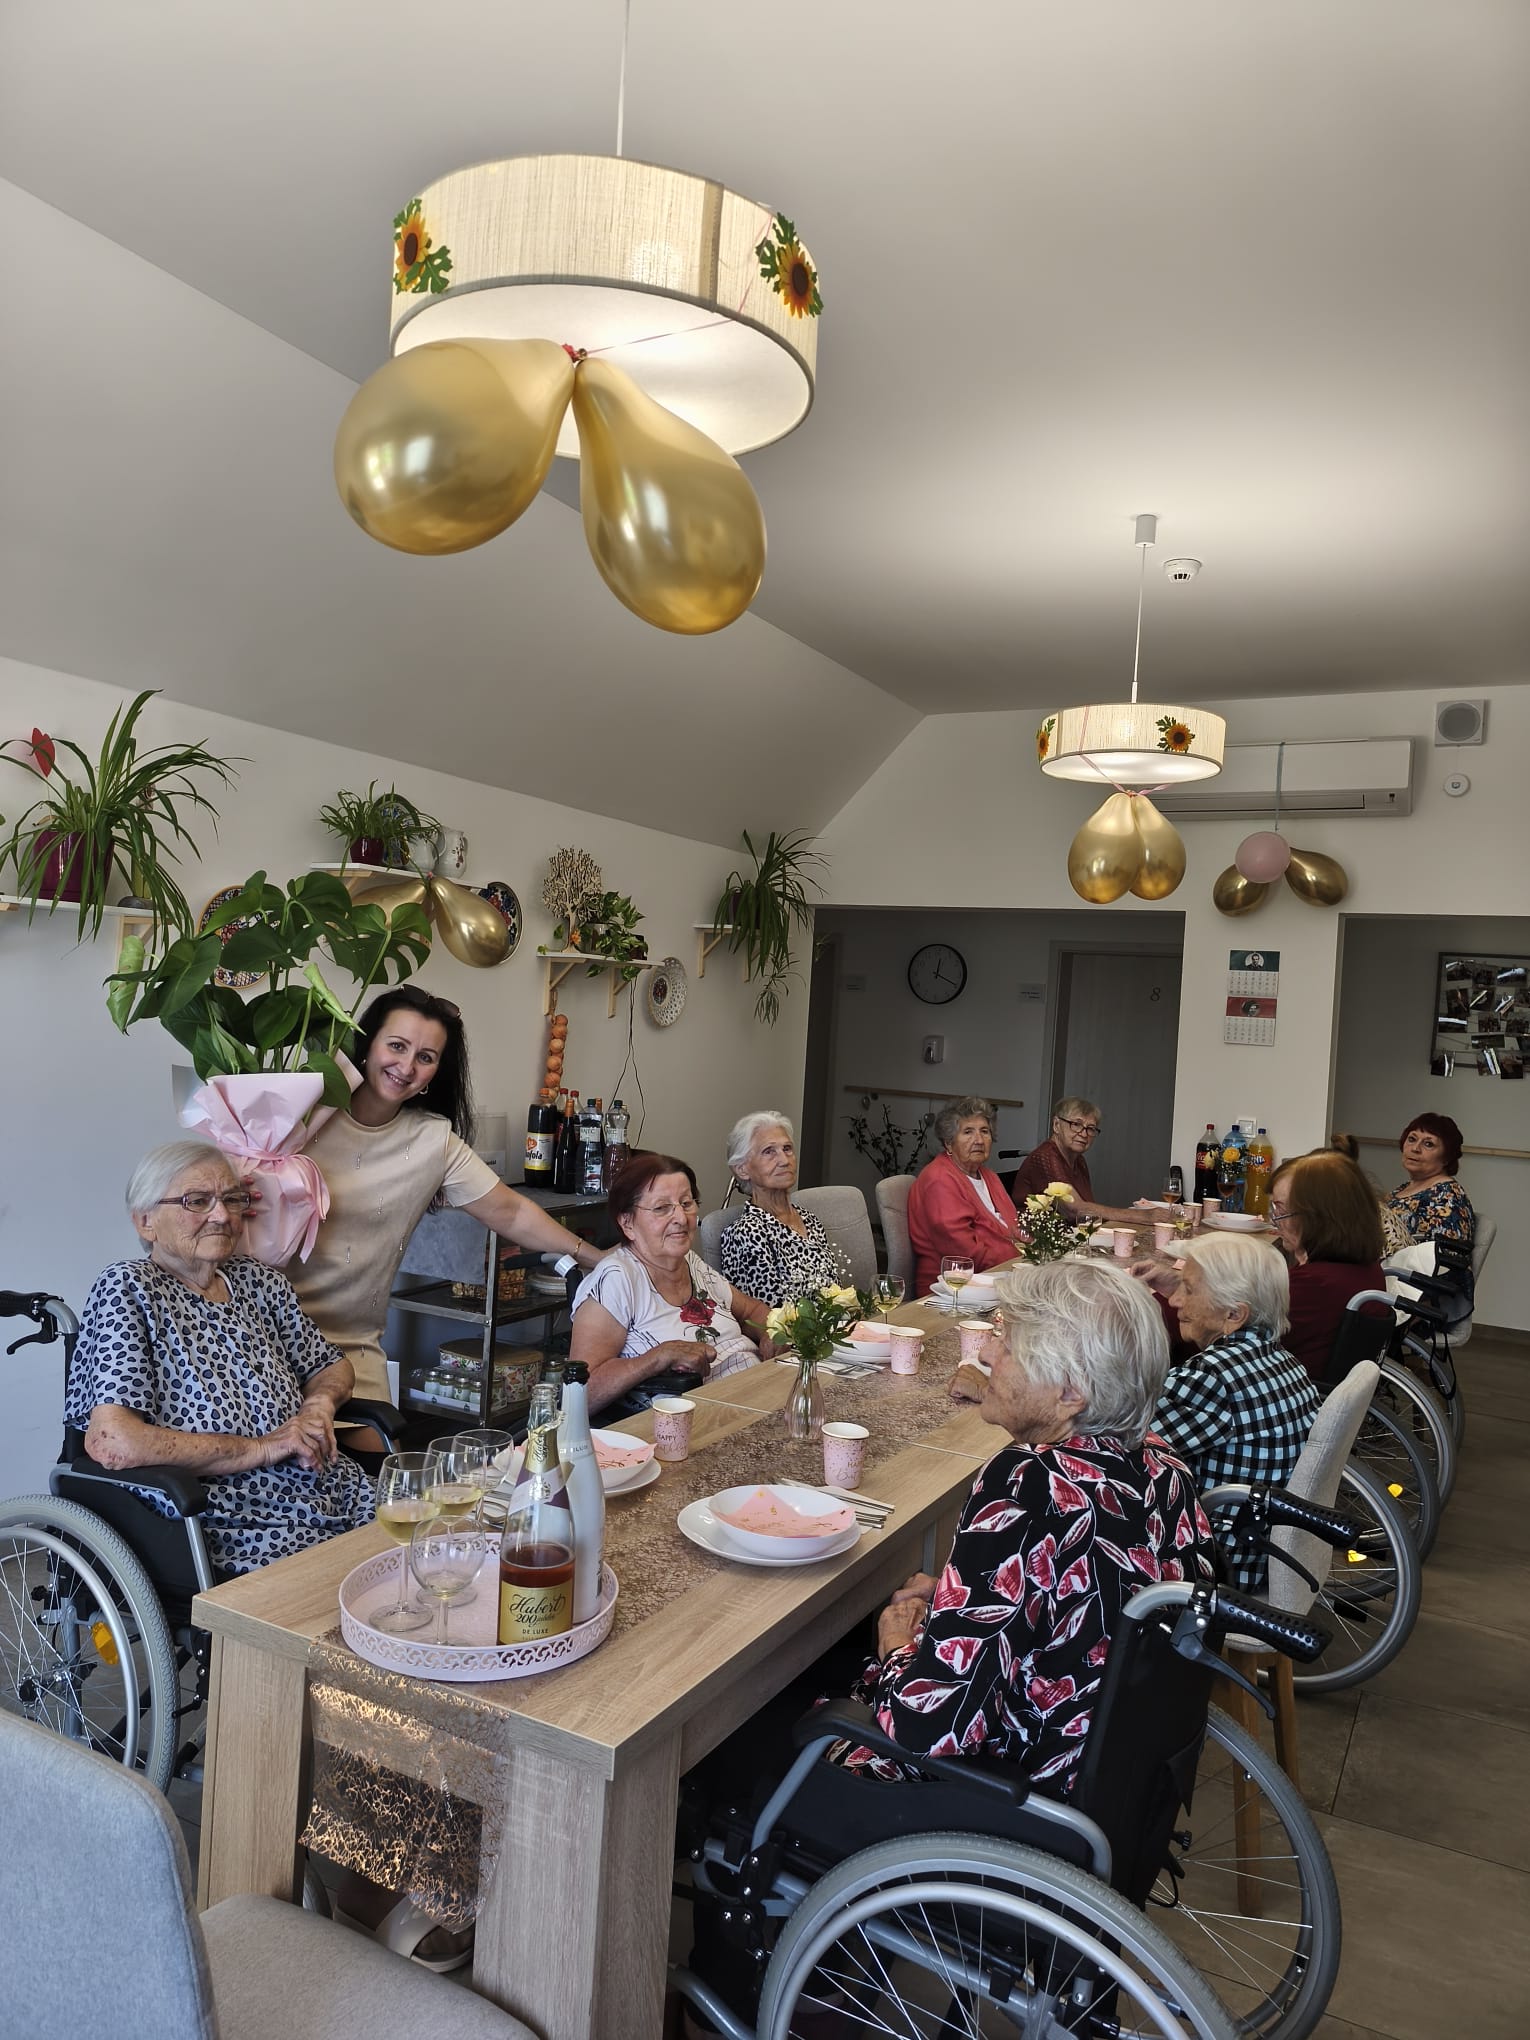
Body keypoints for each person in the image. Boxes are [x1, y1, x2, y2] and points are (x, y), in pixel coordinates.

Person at [67, 1141, 374, 1576]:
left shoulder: (258, 1281)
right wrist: (264, 1448)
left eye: (232, 1199)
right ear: (146, 1221)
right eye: (197, 1201)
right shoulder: (130, 1289)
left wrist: (318, 1407)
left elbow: (330, 1365)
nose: (222, 1215)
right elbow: (112, 1441)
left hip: (329, 1487)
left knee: (440, 1540)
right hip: (232, 1518)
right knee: (369, 1585)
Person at [288, 986, 604, 1401]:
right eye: (396, 1046)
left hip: (353, 1349)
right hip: (267, 1338)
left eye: (425, 1057)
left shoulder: (433, 1140)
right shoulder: (300, 1116)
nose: (406, 1066)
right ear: (367, 1045)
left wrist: (594, 1257)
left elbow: (510, 1212)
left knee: (378, 1445)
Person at [1154, 1233, 1321, 1588]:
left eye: (1188, 1289)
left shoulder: (1209, 1378)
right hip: (1269, 1549)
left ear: (1233, 1314)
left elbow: (1113, 1449)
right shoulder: (1281, 1360)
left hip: (1220, 1562)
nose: (1175, 1300)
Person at [570, 1155, 773, 1416]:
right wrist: (658, 1357)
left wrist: (771, 1333)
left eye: (686, 1203)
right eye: (661, 1208)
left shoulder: (691, 1263)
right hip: (688, 1420)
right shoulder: (617, 1279)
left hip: (751, 1395)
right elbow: (580, 1394)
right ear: (627, 1223)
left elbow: (752, 1311)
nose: (681, 1217)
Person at [1267, 1150, 1388, 1383]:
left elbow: (1230, 1342)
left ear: (1317, 1217)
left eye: (1281, 1211)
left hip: (1285, 1393)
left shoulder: (1314, 1285)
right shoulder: (1364, 1268)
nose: (1275, 1221)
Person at [718, 1111, 843, 1305]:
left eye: (787, 1148)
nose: (784, 1160)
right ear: (742, 1169)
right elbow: (769, 1316)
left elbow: (836, 1293)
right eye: (769, 1151)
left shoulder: (810, 1220)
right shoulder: (746, 1233)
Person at [906, 1096, 1019, 1297]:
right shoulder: (939, 1179)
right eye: (968, 1132)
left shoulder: (988, 1176)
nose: (979, 1140)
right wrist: (1017, 1265)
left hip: (998, 1277)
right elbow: (964, 1253)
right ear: (949, 1143)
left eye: (984, 1131)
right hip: (954, 1288)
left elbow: (1014, 1228)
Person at [1009, 1096, 1140, 1223]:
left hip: (1067, 1233)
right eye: (1076, 1124)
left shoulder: (1079, 1160)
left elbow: (1088, 1208)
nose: (1084, 1134)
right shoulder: (1045, 1156)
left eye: (1090, 1128)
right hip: (1034, 1234)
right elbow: (1075, 1210)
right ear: (1056, 1125)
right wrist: (1141, 1216)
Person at [1381, 1113, 1475, 1255]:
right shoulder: (1403, 1188)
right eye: (1412, 1139)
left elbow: (1443, 1259)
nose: (1415, 1148)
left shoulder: (1447, 1197)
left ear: (1446, 1157)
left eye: (1428, 1144)